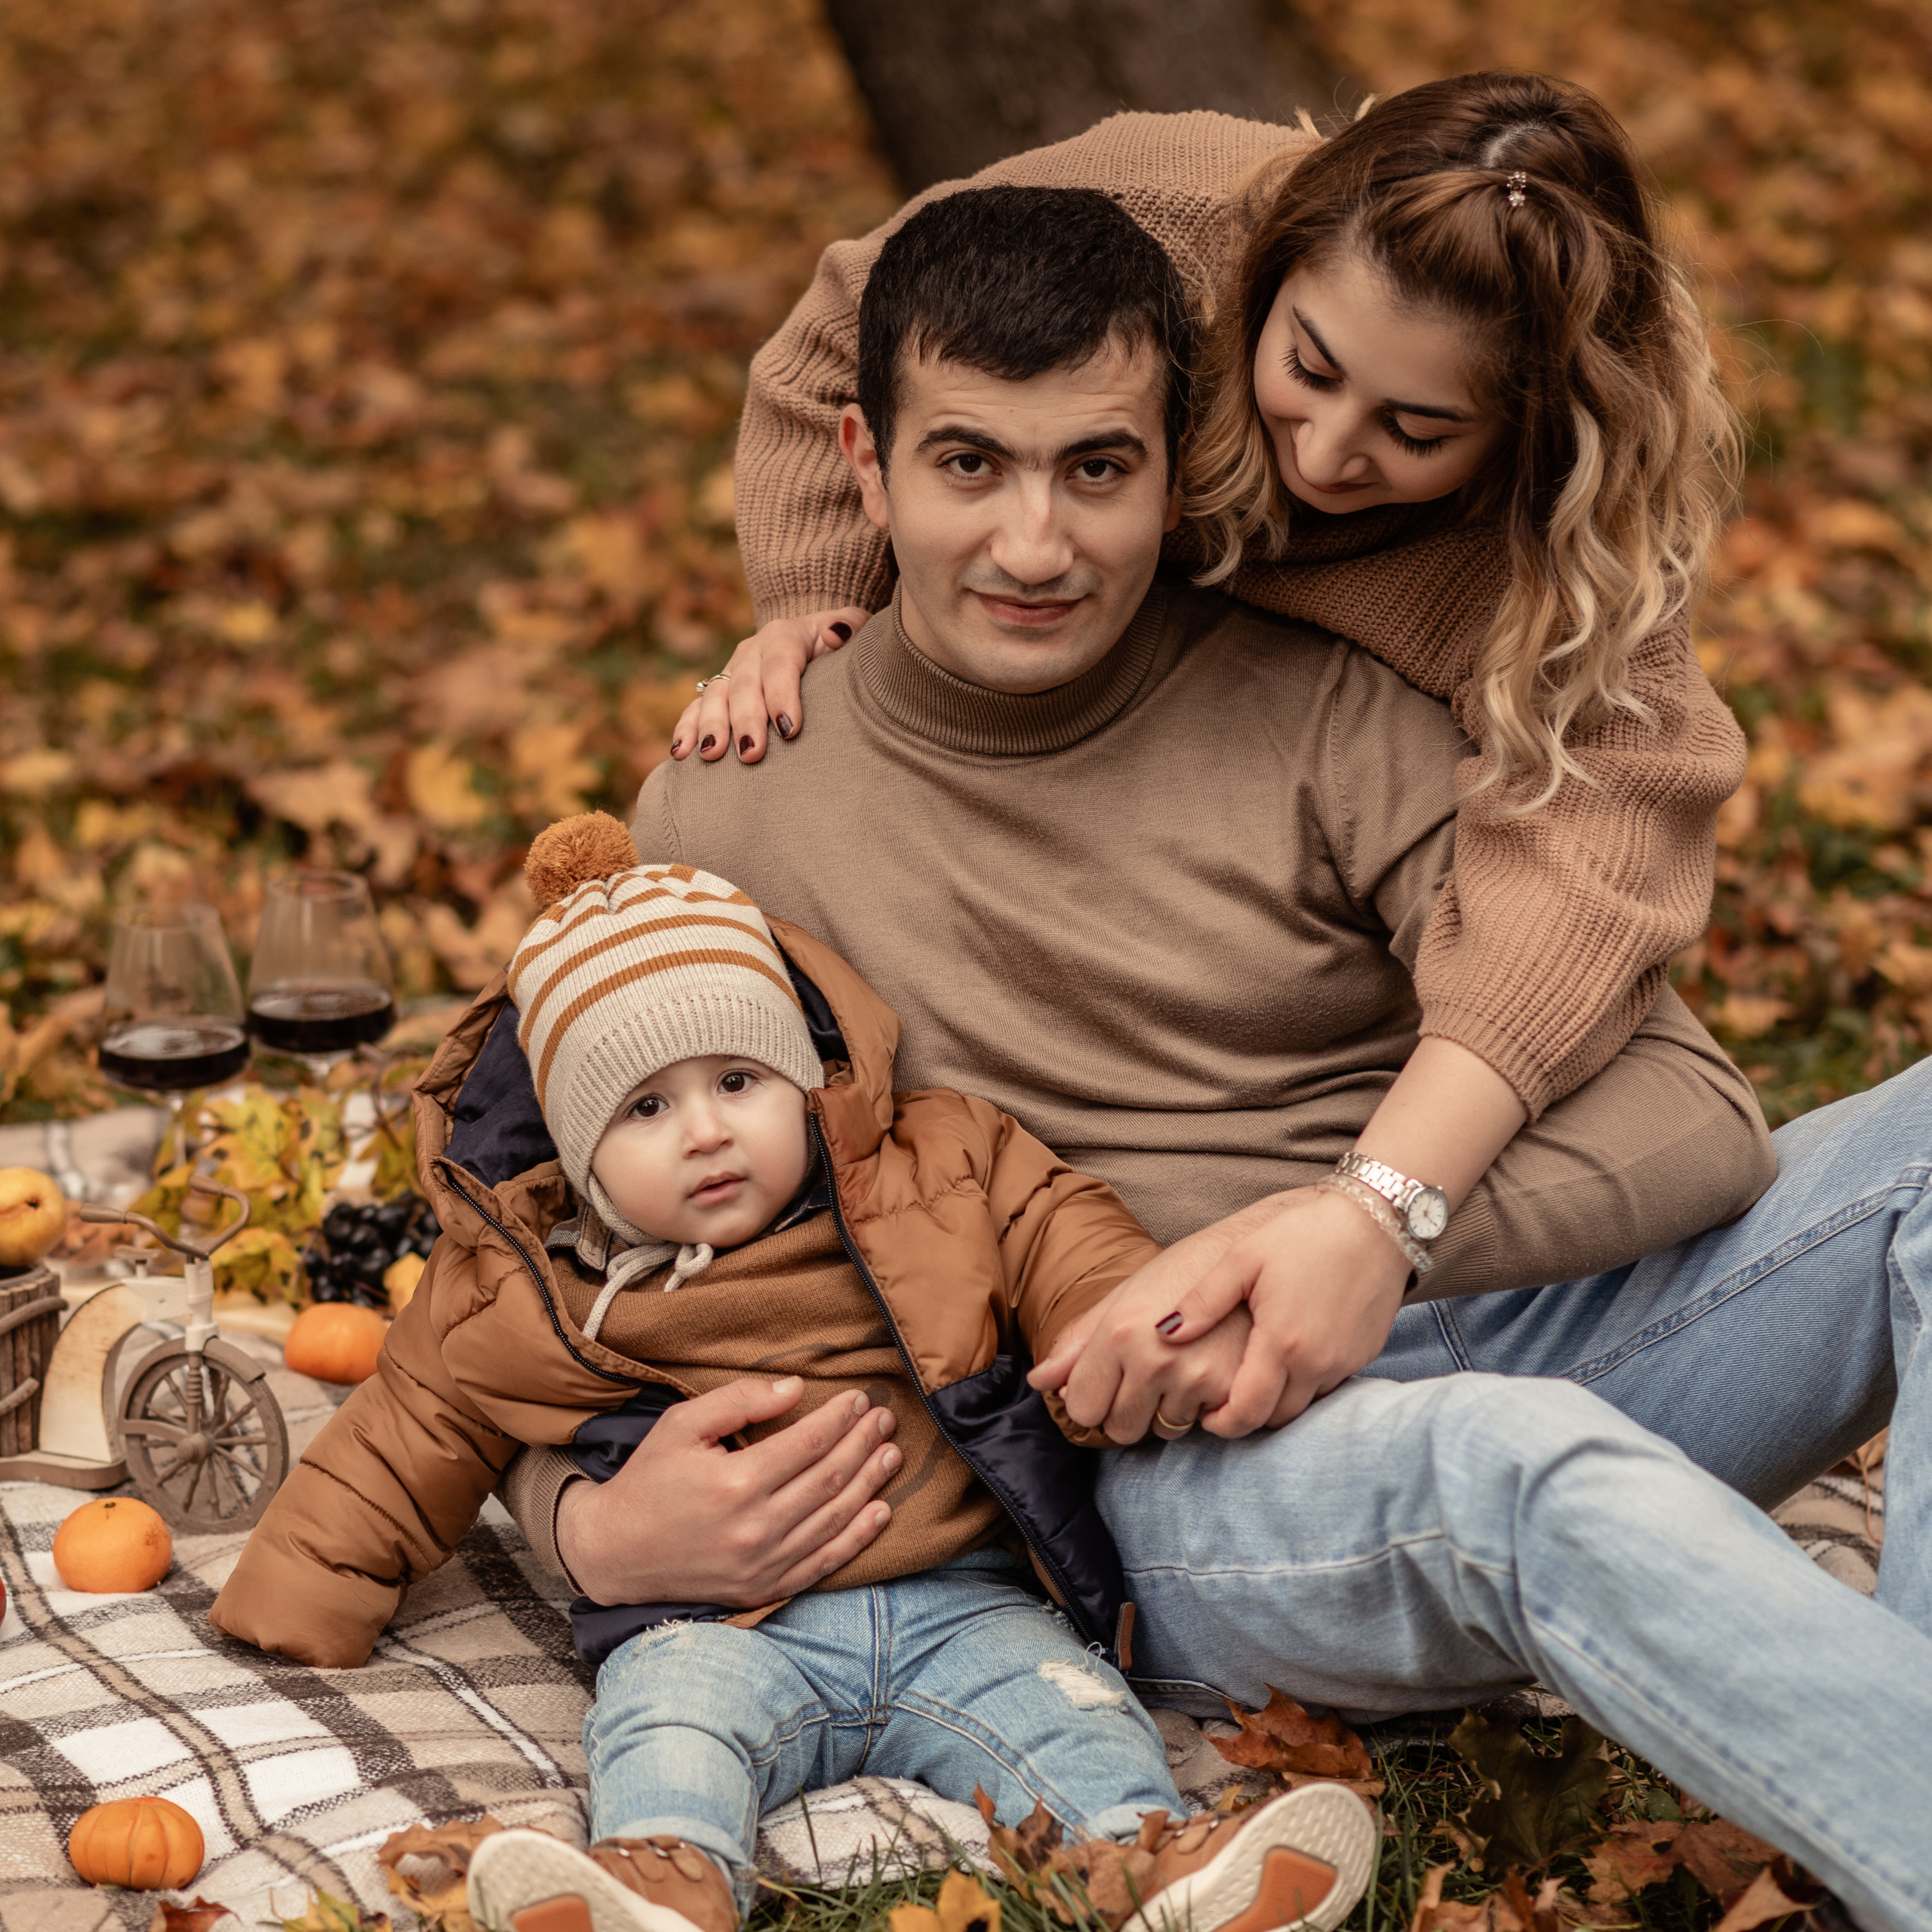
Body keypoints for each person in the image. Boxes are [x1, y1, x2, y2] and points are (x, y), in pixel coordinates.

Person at [495, 182, 1932, 1929]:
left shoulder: (1325, 706)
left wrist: (1346, 1231)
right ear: (861, 471)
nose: (1033, 542)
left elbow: (1696, 1119)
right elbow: (534, 1221)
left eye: (1095, 468)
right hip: (1158, 1469)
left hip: (1472, 1307)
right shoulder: (733, 800)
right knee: (1514, 1466)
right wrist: (580, 1527)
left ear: (1177, 466)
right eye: (969, 466)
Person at [673, 71, 1749, 1376]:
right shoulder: (1166, 203)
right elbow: (854, 328)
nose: (1328, 451)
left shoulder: (1549, 549)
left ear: (1526, 433)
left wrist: (1372, 1213)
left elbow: (1595, 862)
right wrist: (816, 609)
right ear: (1272, 262)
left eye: (1414, 428)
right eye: (1307, 367)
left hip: (1364, 1183)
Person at [210, 818, 1380, 1932]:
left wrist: (1142, 1329)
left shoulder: (937, 1168)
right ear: (579, 1158)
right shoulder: (528, 1286)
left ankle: (1143, 1858)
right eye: (646, 1107)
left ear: (805, 1078)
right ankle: (664, 1875)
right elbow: (403, 1430)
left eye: (738, 1081)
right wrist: (294, 1597)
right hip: (715, 1623)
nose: (707, 1132)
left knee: (1072, 1717)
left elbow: (1062, 1237)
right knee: (668, 1725)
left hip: (964, 1601)